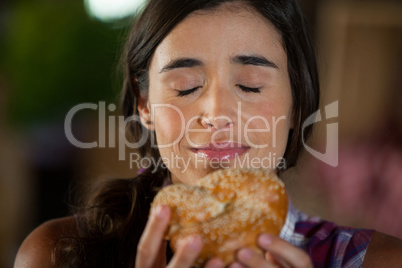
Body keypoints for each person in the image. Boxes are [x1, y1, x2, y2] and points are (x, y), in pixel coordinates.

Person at [14, 0, 402, 267]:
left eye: (250, 85)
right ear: (144, 105)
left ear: (298, 103)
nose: (216, 114)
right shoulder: (61, 254)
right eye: (185, 87)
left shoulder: (375, 261)